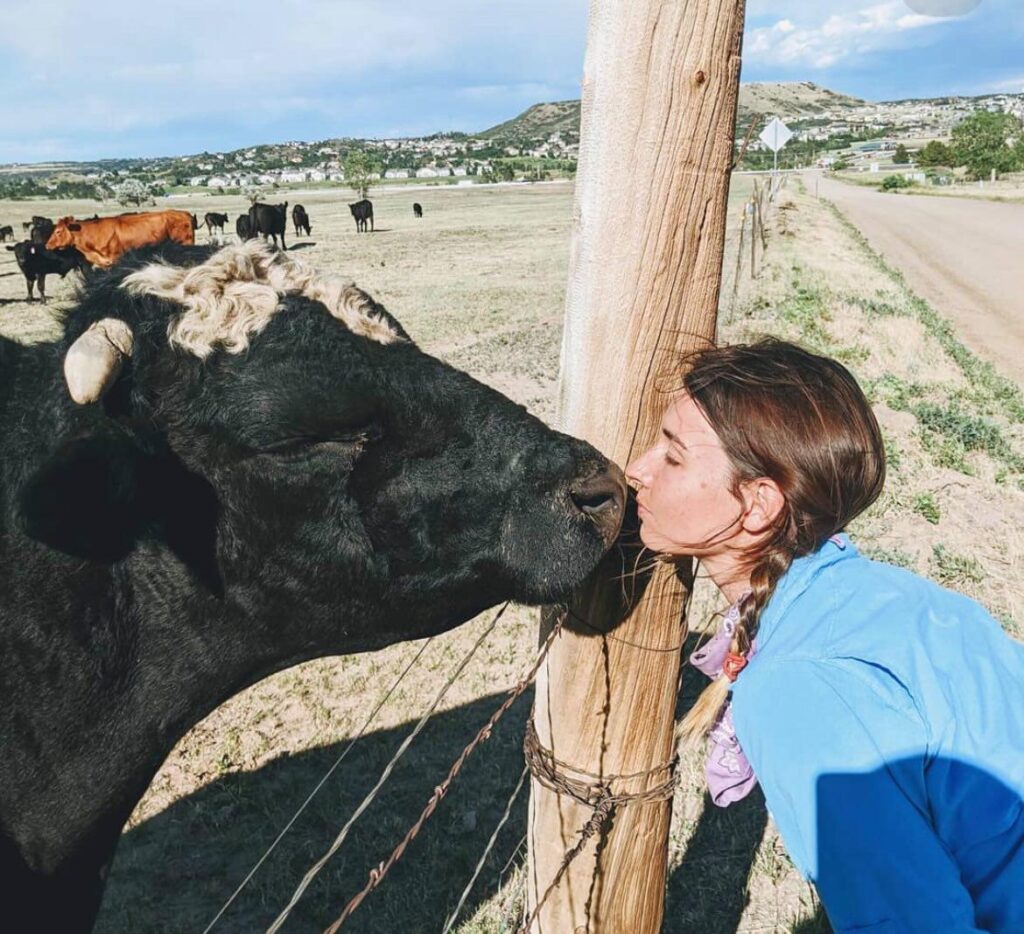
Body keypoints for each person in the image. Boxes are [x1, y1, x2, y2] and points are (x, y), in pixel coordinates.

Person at [624, 338, 1024, 933]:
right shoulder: (893, 596)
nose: (638, 468)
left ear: (757, 505)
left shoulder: (795, 685)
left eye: (674, 456)